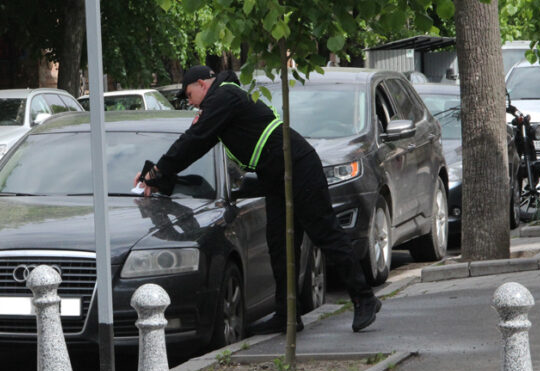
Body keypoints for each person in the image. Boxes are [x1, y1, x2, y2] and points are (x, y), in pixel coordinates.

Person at [134, 65, 381, 333]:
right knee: (281, 244)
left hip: (298, 166)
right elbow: (194, 146)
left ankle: (365, 299)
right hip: (276, 175)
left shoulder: (223, 97)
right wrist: (156, 177)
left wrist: (157, 171)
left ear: (202, 84)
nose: (189, 101)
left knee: (325, 233)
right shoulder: (221, 102)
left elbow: (194, 140)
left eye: (188, 93)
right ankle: (288, 316)